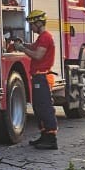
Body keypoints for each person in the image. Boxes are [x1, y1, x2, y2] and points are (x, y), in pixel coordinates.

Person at [14, 9, 58, 150]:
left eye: (32, 24)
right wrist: (23, 45)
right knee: (38, 107)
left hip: (43, 77)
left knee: (44, 107)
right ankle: (44, 136)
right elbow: (33, 47)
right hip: (39, 77)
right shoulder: (41, 38)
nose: (31, 27)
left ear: (39, 23)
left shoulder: (45, 37)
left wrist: (22, 49)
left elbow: (38, 55)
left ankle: (51, 139)